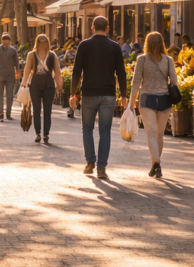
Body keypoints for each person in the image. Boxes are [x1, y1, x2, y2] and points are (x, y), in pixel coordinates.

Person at [71, 16, 127, 180]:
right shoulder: (115, 47)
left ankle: (90, 162)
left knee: (87, 128)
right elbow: (121, 72)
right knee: (105, 131)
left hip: (89, 93)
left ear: (93, 28)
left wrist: (73, 93)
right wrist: (123, 95)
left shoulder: (84, 45)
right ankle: (101, 168)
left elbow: (76, 70)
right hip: (108, 94)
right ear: (107, 28)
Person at [131, 32, 175, 179]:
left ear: (146, 44)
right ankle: (155, 165)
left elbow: (136, 82)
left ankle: (156, 163)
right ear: (162, 43)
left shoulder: (141, 59)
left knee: (150, 134)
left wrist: (131, 103)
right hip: (165, 99)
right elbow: (174, 82)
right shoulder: (168, 60)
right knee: (159, 135)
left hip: (147, 99)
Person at [21, 34, 62, 144]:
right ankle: (38, 133)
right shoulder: (32, 55)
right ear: (37, 43)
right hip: (35, 85)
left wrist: (59, 82)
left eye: (44, 42)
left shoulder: (52, 55)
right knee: (36, 110)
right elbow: (27, 70)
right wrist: (24, 82)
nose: (42, 44)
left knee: (48, 111)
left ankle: (46, 134)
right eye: (40, 42)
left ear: (47, 43)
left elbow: (57, 70)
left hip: (49, 85)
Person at [0, 33, 20, 122]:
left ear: (9, 42)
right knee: (0, 94)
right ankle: (1, 113)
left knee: (9, 95)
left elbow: (16, 64)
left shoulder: (13, 51)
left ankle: (8, 113)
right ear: (2, 41)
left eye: (7, 42)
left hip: (10, 76)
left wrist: (17, 76)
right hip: (0, 75)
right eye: (4, 42)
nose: (6, 43)